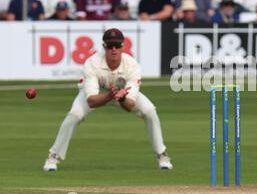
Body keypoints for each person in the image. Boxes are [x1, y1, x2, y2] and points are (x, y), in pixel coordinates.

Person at [43, 28, 173, 172]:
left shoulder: (132, 65)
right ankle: (53, 156)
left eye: (117, 46)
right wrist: (110, 96)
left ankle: (162, 154)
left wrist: (121, 97)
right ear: (104, 46)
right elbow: (92, 101)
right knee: (75, 114)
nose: (113, 49)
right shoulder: (92, 63)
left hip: (121, 94)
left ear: (122, 47)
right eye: (110, 46)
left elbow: (129, 106)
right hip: (98, 94)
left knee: (149, 110)